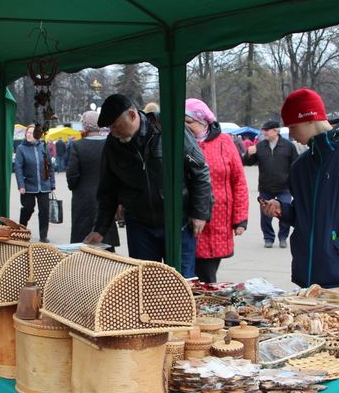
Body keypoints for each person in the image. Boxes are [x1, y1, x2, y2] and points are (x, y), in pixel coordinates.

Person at [261, 88, 339, 288]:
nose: (292, 135)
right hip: (307, 276)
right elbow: (305, 215)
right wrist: (283, 209)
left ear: (310, 119)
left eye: (293, 127)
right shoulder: (300, 166)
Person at [84, 94, 212, 278]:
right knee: (144, 284)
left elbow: (200, 171)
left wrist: (199, 213)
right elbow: (107, 191)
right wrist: (99, 229)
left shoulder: (170, 129)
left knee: (181, 283)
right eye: (110, 128)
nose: (114, 132)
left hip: (178, 222)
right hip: (140, 226)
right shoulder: (113, 146)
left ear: (132, 115)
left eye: (117, 126)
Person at [185, 98, 248, 283]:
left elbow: (239, 182)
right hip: (189, 218)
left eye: (189, 122)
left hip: (219, 220)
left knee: (207, 272)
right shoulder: (179, 143)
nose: (185, 127)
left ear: (204, 122)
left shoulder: (225, 142)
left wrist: (240, 219)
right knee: (192, 274)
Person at [67, 110, 120, 249]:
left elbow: (72, 175)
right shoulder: (110, 144)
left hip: (83, 200)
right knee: (106, 239)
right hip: (107, 198)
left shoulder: (78, 146)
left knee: (83, 242)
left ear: (85, 126)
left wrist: (75, 186)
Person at [243, 120, 297, 248]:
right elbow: (248, 163)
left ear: (276, 131)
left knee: (285, 212)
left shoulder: (288, 146)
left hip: (284, 187)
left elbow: (295, 165)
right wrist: (248, 154)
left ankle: (283, 237)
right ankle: (268, 237)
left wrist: (294, 183)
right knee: (266, 215)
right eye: (263, 130)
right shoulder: (260, 146)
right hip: (266, 187)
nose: (264, 133)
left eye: (266, 130)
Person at [14, 128, 55, 242]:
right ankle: (22, 230)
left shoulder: (44, 147)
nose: (29, 135)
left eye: (32, 133)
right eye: (27, 132)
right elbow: (18, 168)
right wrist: (21, 185)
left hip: (44, 186)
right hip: (28, 186)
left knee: (44, 211)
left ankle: (43, 236)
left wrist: (52, 184)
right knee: (27, 208)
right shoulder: (21, 148)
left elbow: (50, 167)